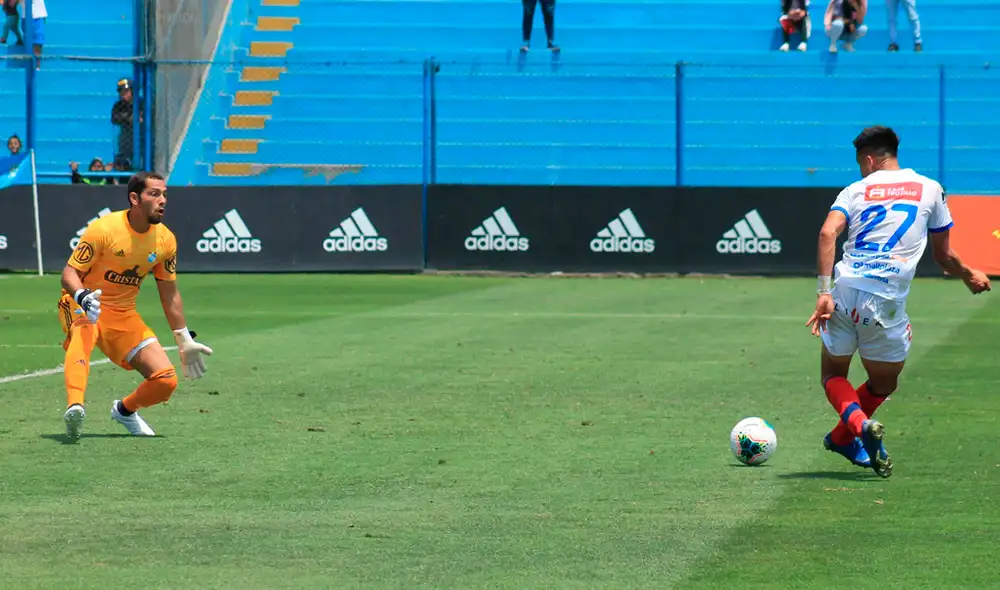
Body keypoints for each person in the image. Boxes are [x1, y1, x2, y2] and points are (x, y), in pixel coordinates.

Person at [806, 126, 991, 478]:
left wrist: (823, 292)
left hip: (843, 291)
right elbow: (944, 256)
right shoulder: (930, 189)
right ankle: (852, 432)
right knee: (883, 384)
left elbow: (828, 232)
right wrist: (969, 275)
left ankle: (850, 432)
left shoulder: (855, 190)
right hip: (885, 301)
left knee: (832, 374)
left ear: (869, 160)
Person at [58, 171, 214, 441]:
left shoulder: (166, 240)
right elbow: (69, 273)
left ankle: (124, 410)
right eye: (154, 194)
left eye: (164, 194)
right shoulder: (104, 229)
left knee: (166, 380)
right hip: (82, 302)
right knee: (83, 331)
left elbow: (169, 293)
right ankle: (75, 407)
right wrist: (82, 295)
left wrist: (183, 338)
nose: (162, 200)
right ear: (134, 198)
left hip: (123, 313)